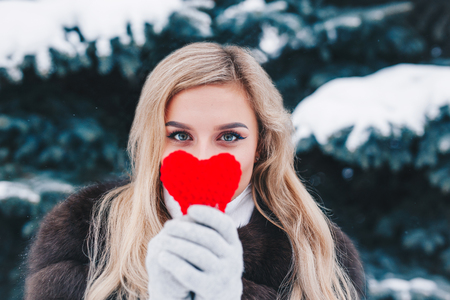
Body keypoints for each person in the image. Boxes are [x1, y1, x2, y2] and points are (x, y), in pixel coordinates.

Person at [24, 42, 365, 300]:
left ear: (261, 144)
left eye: (229, 136)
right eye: (180, 135)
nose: (203, 156)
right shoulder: (85, 233)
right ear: (155, 139)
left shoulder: (319, 252)